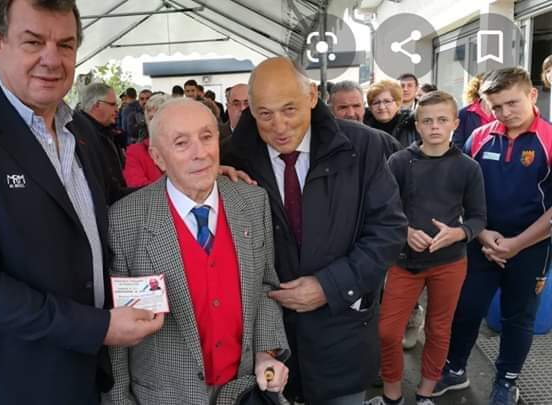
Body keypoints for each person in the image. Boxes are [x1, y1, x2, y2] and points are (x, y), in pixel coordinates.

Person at [0, 1, 164, 403]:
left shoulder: (78, 129)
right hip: (7, 382)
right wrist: (98, 327)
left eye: (65, 45)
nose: (52, 59)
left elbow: (110, 208)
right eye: (33, 42)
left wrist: (189, 182)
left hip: (82, 373)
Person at [222, 57, 407, 405]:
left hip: (343, 336)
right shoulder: (232, 157)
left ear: (311, 95)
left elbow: (389, 230)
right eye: (265, 114)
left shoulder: (363, 146)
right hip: (266, 348)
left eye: (289, 109)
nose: (279, 126)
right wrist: (206, 182)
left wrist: (329, 286)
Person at [105, 98, 289, 404]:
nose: (200, 153)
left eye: (206, 137)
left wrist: (265, 353)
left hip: (242, 390)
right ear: (158, 157)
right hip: (164, 397)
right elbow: (118, 335)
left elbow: (265, 287)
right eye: (181, 143)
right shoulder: (125, 219)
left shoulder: (253, 202)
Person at [434, 68, 552, 405]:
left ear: (532, 95)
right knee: (466, 308)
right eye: (496, 106)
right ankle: (455, 369)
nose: (504, 112)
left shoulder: (549, 139)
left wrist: (516, 244)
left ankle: (506, 381)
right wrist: (483, 234)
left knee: (519, 317)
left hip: (532, 247)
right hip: (480, 243)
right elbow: (459, 191)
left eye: (512, 103)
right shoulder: (478, 137)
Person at [366, 91, 486, 405]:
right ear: (417, 125)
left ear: (455, 123)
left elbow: (478, 217)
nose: (435, 126)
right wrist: (405, 231)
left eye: (442, 120)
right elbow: (382, 209)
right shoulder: (399, 162)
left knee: (439, 329)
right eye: (428, 120)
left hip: (450, 262)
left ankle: (425, 394)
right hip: (404, 261)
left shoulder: (468, 167)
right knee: (388, 330)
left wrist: (459, 233)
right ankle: (392, 395)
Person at [328, 81, 402, 158]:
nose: (351, 114)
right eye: (343, 107)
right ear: (331, 110)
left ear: (364, 107)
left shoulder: (387, 143)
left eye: (356, 106)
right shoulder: (322, 142)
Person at [76, 82, 127, 190]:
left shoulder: (105, 131)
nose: (117, 109)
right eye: (113, 104)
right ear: (97, 104)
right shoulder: (82, 136)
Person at [123, 94, 167, 187]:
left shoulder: (186, 148)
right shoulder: (135, 152)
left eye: (160, 117)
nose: (155, 123)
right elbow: (137, 187)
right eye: (151, 118)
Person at [364, 80, 419, 148]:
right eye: (376, 103)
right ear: (370, 107)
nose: (381, 107)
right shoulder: (362, 127)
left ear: (398, 104)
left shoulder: (411, 125)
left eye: (387, 101)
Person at [452, 74, 494, 151]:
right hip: (470, 156)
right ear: (479, 91)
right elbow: (457, 144)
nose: (491, 91)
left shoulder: (503, 113)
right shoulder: (464, 113)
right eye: (486, 87)